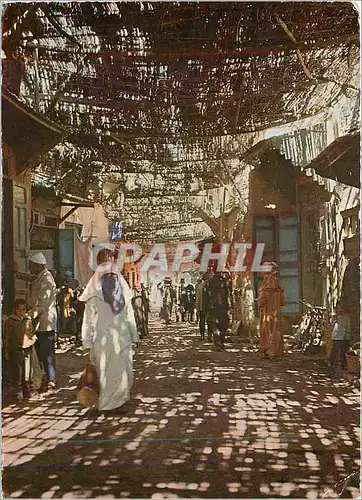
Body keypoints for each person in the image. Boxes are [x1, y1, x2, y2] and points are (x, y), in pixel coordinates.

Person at [79, 248, 139, 412]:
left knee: (109, 372)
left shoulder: (94, 290)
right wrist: (134, 335)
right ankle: (112, 404)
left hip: (104, 339)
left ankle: (112, 403)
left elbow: (88, 319)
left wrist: (88, 342)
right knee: (118, 371)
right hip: (121, 337)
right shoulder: (121, 287)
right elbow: (129, 314)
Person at [16, 253, 58, 389]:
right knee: (42, 352)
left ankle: (51, 380)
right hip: (40, 322)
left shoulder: (47, 280)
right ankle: (45, 378)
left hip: (45, 322)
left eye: (30, 266)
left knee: (47, 353)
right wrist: (18, 273)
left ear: (38, 266)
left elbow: (42, 304)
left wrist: (27, 315)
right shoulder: (41, 276)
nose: (29, 268)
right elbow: (32, 278)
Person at [5, 298, 43, 401]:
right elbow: (7, 337)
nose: (21, 312)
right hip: (16, 349)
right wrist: (6, 351)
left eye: (23, 310)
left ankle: (27, 391)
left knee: (28, 372)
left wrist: (33, 338)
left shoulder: (28, 320)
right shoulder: (10, 321)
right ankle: (18, 391)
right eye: (19, 310)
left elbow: (30, 332)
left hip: (27, 349)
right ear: (15, 310)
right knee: (17, 372)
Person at [257, 262, 285, 360]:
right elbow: (282, 301)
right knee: (276, 330)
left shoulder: (265, 284)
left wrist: (259, 304)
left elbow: (261, 301)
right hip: (276, 313)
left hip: (266, 313)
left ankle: (267, 350)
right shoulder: (278, 285)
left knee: (266, 330)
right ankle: (275, 351)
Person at [204, 266, 232, 350]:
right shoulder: (225, 282)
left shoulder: (209, 282)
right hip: (223, 307)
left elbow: (206, 297)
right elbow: (229, 295)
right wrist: (230, 306)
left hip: (212, 307)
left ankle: (217, 343)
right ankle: (222, 342)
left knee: (214, 325)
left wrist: (205, 307)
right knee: (223, 326)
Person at [329, 302, 352, 374]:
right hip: (336, 336)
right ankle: (331, 362)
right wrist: (334, 318)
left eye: (341, 308)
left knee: (343, 351)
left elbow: (348, 327)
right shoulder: (335, 317)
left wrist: (348, 337)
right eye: (338, 309)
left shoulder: (346, 317)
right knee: (334, 350)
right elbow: (331, 324)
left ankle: (342, 365)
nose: (340, 310)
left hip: (344, 337)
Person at [196, 273, 211, 341]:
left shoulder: (199, 286)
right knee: (209, 322)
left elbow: (198, 299)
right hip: (210, 307)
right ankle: (209, 335)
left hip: (203, 307)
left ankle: (202, 335)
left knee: (202, 322)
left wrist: (198, 309)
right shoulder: (211, 285)